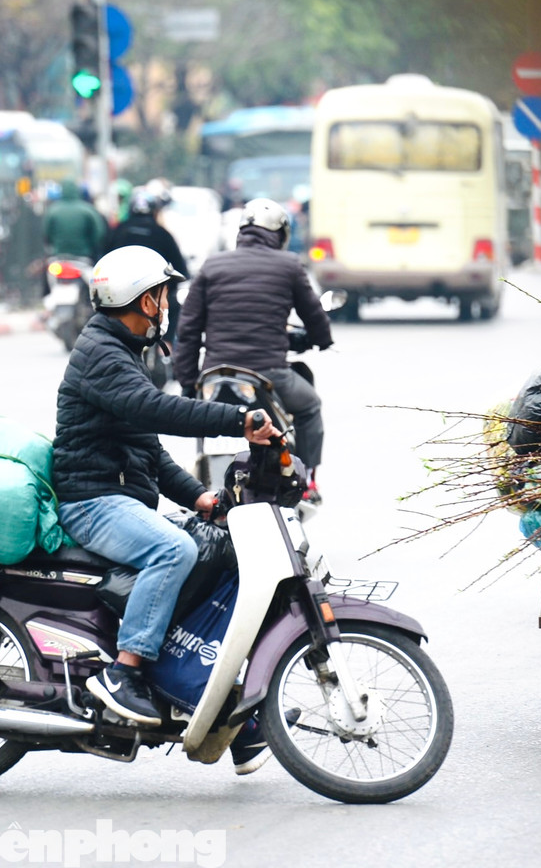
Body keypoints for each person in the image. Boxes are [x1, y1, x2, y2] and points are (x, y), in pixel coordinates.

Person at [52, 244, 281, 772]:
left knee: (218, 554)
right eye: (163, 294)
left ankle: (225, 714)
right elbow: (157, 410)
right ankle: (125, 671)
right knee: (174, 550)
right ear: (144, 300)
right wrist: (237, 420)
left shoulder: (124, 351)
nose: (167, 304)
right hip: (90, 501)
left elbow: (148, 448)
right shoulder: (102, 355)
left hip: (118, 496)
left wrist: (201, 498)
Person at [173, 197, 333, 502]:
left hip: (213, 375)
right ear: (280, 234)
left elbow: (188, 330)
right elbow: (314, 315)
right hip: (269, 374)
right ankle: (308, 482)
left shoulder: (212, 265)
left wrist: (189, 381)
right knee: (309, 406)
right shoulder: (289, 265)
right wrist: (321, 339)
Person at [101, 187, 191, 344]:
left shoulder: (118, 231)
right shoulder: (163, 234)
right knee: (173, 305)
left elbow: (102, 259)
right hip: (155, 294)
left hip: (118, 296)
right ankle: (166, 346)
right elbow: (180, 268)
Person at [42, 176, 107, 263]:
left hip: (58, 257)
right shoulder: (88, 210)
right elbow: (99, 233)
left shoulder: (52, 211)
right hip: (83, 257)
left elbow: (46, 233)